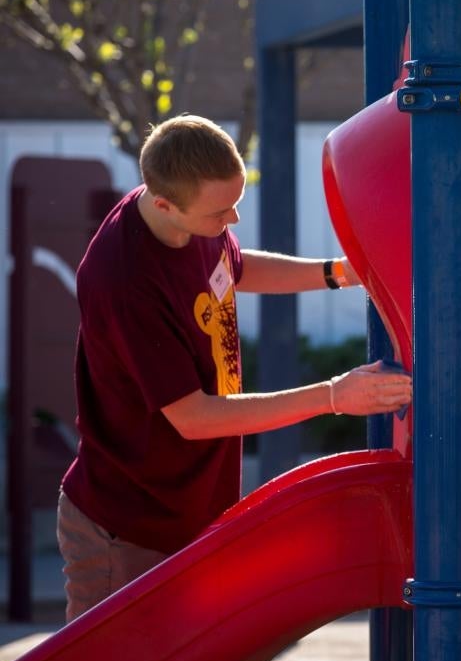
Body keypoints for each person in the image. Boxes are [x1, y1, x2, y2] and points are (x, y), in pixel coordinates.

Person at [58, 115, 413, 622]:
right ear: (162, 204)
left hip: (189, 511)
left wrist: (337, 273)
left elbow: (233, 266)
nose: (234, 221)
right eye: (221, 212)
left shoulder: (190, 215)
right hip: (128, 529)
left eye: (236, 203)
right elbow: (193, 417)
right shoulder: (123, 280)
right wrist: (335, 395)